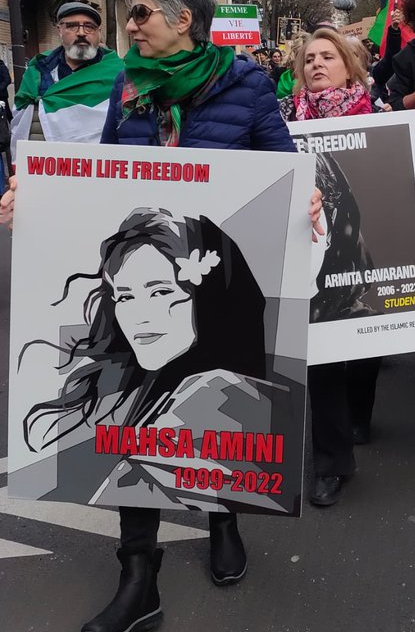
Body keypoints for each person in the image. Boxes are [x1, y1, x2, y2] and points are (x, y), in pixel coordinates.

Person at [3, 0, 322, 632]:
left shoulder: (246, 84)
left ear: (186, 20)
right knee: (133, 406)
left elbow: (279, 165)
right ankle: (137, 573)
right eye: (132, 14)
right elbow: (105, 177)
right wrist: (36, 198)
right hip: (146, 285)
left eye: (143, 12)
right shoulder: (130, 89)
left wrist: (307, 194)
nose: (132, 25)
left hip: (208, 290)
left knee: (213, 405)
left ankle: (223, 517)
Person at [17, 208, 296, 512]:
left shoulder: (220, 393)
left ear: (206, 293)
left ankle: (221, 525)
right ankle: (138, 543)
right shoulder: (134, 384)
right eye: (125, 296)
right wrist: (27, 206)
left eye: (160, 291)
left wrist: (305, 215)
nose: (139, 316)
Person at [277, 27, 383, 507]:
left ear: (350, 66)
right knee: (322, 364)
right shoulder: (281, 121)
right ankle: (332, 463)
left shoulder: (380, 118)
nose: (317, 64)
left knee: (361, 355)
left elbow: (397, 178)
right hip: (302, 248)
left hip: (356, 258)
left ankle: (361, 415)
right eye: (310, 59)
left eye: (328, 56)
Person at [11, 1, 122, 152]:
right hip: (41, 166)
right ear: (59, 30)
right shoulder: (37, 70)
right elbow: (21, 122)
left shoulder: (119, 73)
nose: (81, 33)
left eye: (89, 27)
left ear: (99, 33)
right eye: (72, 26)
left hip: (98, 167)